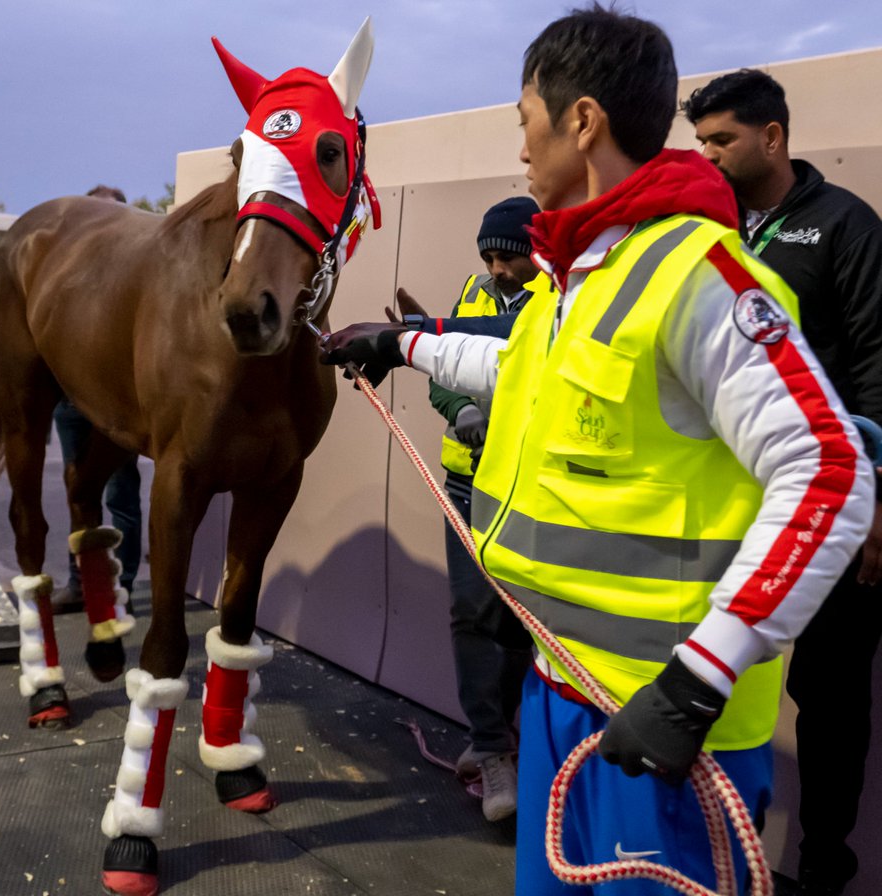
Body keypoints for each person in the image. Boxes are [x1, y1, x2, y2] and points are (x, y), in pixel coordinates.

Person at [321, 6, 875, 894]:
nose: (521, 147)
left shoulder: (699, 275)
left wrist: (699, 680)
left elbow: (831, 471)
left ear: (581, 121)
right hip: (561, 688)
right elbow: (519, 364)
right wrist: (403, 343)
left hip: (662, 721)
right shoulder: (581, 276)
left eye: (524, 122)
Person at [683, 69, 882, 896]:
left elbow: (876, 364)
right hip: (731, 510)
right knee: (717, 674)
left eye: (722, 140)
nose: (710, 156)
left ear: (773, 136)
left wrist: (875, 504)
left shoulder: (846, 226)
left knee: (831, 703)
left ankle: (821, 868)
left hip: (833, 507)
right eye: (700, 142)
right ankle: (714, 850)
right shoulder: (708, 227)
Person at [431, 197, 539, 822]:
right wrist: (459, 408)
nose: (497, 269)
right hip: (466, 483)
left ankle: (499, 735)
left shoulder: (556, 299)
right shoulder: (473, 292)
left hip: (525, 488)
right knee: (471, 610)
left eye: (509, 257)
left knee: (520, 618)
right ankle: (493, 749)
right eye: (490, 257)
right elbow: (442, 365)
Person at [54, 184, 144, 608]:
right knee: (78, 490)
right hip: (71, 399)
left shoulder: (133, 278)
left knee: (120, 492)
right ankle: (83, 582)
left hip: (115, 402)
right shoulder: (67, 272)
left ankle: (121, 582)